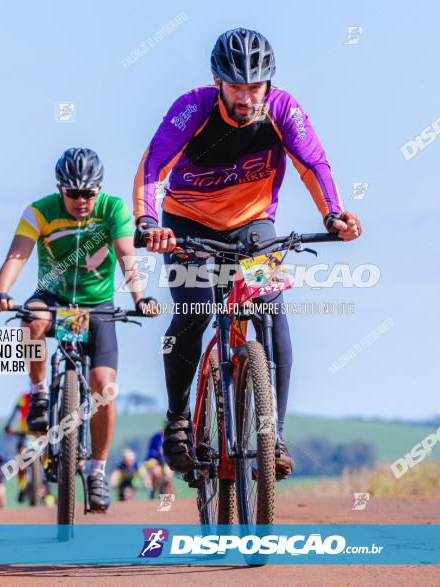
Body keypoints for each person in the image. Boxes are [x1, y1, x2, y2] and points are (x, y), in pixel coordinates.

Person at [133, 29, 362, 478]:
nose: (246, 96)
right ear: (217, 81)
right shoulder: (192, 108)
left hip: (254, 228)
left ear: (268, 84)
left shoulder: (282, 110)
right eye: (236, 86)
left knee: (273, 312)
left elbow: (313, 164)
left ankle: (272, 434)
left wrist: (333, 215)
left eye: (255, 86)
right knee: (195, 311)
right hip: (187, 224)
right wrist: (147, 222)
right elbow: (153, 166)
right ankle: (179, 418)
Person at [0, 147, 160, 512]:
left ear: (99, 190)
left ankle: (96, 472)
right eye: (73, 193)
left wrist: (140, 297)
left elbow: (128, 256)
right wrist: (2, 291)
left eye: (88, 193)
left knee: (103, 386)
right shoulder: (40, 211)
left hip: (96, 304)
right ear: (59, 189)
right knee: (30, 319)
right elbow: (17, 255)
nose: (81, 201)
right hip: (52, 297)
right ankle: (38, 393)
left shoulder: (113, 209)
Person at [4, 389, 32, 502]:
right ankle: (22, 487)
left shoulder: (47, 395)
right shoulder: (24, 397)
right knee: (21, 458)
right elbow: (15, 412)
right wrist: (9, 425)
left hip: (43, 432)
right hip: (25, 432)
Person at [142, 420, 173, 498]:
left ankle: (166, 497)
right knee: (156, 473)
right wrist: (157, 454)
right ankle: (153, 490)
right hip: (157, 461)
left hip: (168, 462)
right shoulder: (155, 438)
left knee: (167, 477)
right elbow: (150, 452)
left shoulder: (172, 439)